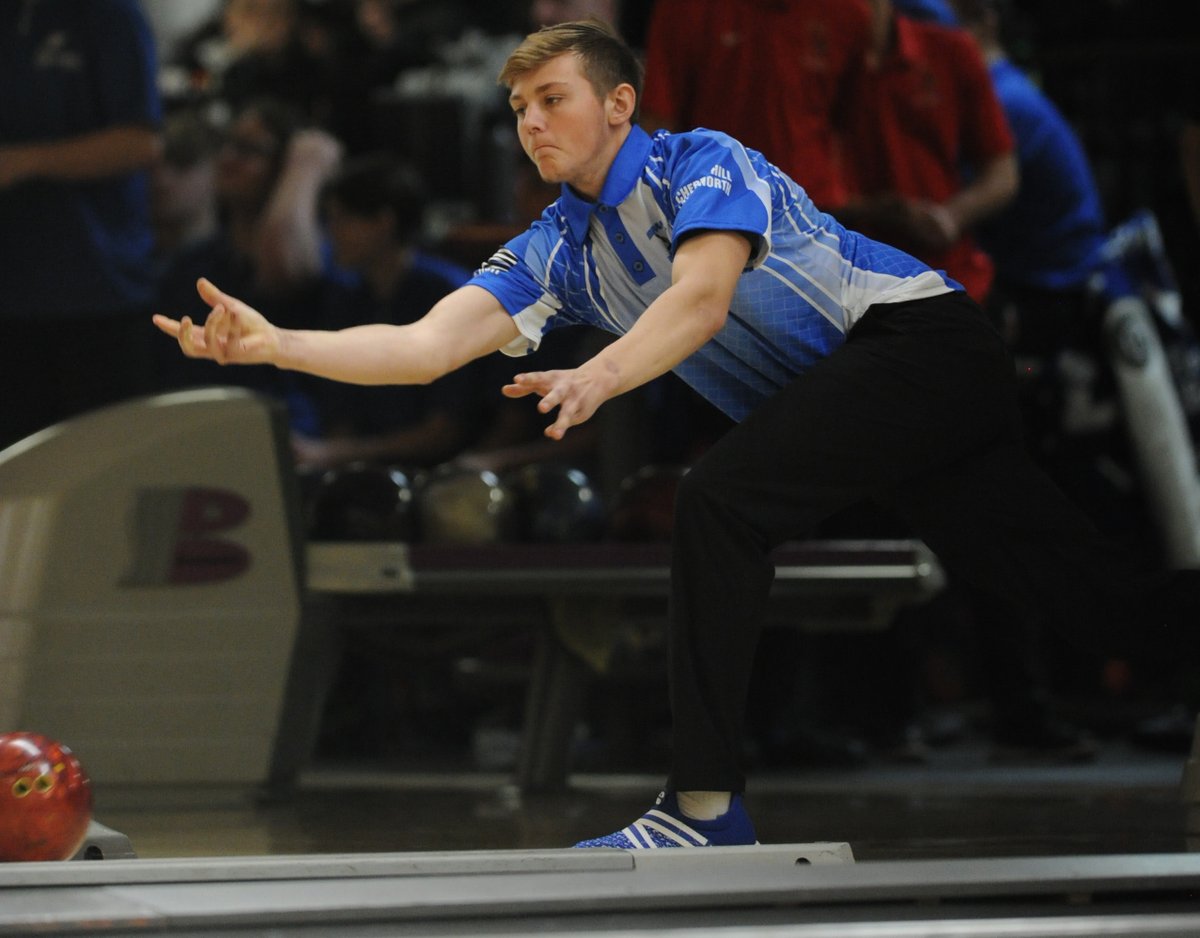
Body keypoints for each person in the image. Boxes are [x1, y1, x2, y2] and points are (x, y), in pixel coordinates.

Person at [154, 19, 1199, 848]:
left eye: (551, 100)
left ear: (619, 104)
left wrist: (601, 373)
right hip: (867, 399)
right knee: (1079, 594)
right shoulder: (556, 246)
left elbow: (700, 300)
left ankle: (704, 808)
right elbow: (427, 347)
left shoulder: (701, 161)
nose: (530, 123)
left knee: (719, 500)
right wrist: (277, 343)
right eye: (518, 107)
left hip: (920, 345)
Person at [0, 0, 162, 451]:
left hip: (96, 288)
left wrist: (26, 162)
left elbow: (141, 141)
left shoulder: (109, 14)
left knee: (104, 473)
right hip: (12, 292)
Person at [834, 0, 1018, 303]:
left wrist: (949, 218)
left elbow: (1002, 170)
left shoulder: (951, 51)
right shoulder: (810, 63)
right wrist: (868, 210)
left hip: (949, 280)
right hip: (848, 287)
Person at [639, 0, 873, 212]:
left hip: (815, 209)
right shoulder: (685, 8)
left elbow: (852, 131)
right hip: (715, 206)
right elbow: (659, 124)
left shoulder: (850, 13)